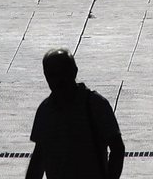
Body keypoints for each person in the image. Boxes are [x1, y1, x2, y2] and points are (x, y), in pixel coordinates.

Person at [26, 48, 125, 179]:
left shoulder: (95, 105)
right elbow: (39, 156)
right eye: (52, 75)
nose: (58, 80)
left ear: (74, 71)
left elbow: (117, 148)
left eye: (62, 73)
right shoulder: (45, 110)